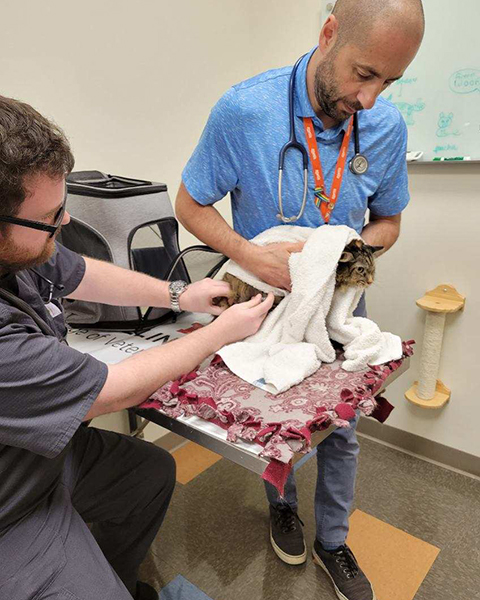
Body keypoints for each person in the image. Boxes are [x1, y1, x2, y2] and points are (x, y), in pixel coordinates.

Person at [175, 1, 425, 598]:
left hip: (337, 314)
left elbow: (388, 221)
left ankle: (334, 540)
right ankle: (281, 506)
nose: (371, 98)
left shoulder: (385, 127)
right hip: (264, 312)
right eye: (364, 74)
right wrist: (249, 253)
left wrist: (352, 256)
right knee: (276, 422)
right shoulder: (246, 111)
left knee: (340, 432)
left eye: (389, 82)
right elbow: (190, 206)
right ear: (330, 33)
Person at [0, 95, 274, 600]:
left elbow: (77, 272)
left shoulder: (22, 245)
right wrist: (219, 333)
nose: (63, 223)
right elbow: (109, 390)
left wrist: (178, 293)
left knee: (148, 471)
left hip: (42, 459)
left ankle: (117, 576)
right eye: (51, 216)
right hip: (9, 508)